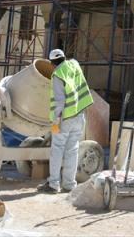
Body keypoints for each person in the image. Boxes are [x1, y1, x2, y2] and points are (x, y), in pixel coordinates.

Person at [37, 48, 93, 194]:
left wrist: (55, 121)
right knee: (72, 150)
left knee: (57, 150)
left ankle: (53, 184)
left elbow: (60, 101)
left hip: (65, 118)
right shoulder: (74, 65)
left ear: (52, 64)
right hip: (80, 116)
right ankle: (69, 184)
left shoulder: (57, 75)